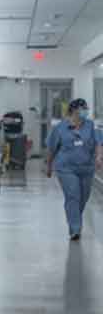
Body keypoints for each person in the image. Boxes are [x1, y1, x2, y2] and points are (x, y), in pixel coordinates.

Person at [46, 98, 103, 240]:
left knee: (83, 198)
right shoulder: (60, 128)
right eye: (82, 109)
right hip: (66, 168)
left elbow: (98, 143)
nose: (85, 111)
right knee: (73, 196)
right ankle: (75, 228)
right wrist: (49, 166)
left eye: (86, 109)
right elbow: (52, 149)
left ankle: (74, 219)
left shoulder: (90, 126)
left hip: (86, 168)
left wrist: (98, 157)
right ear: (73, 111)